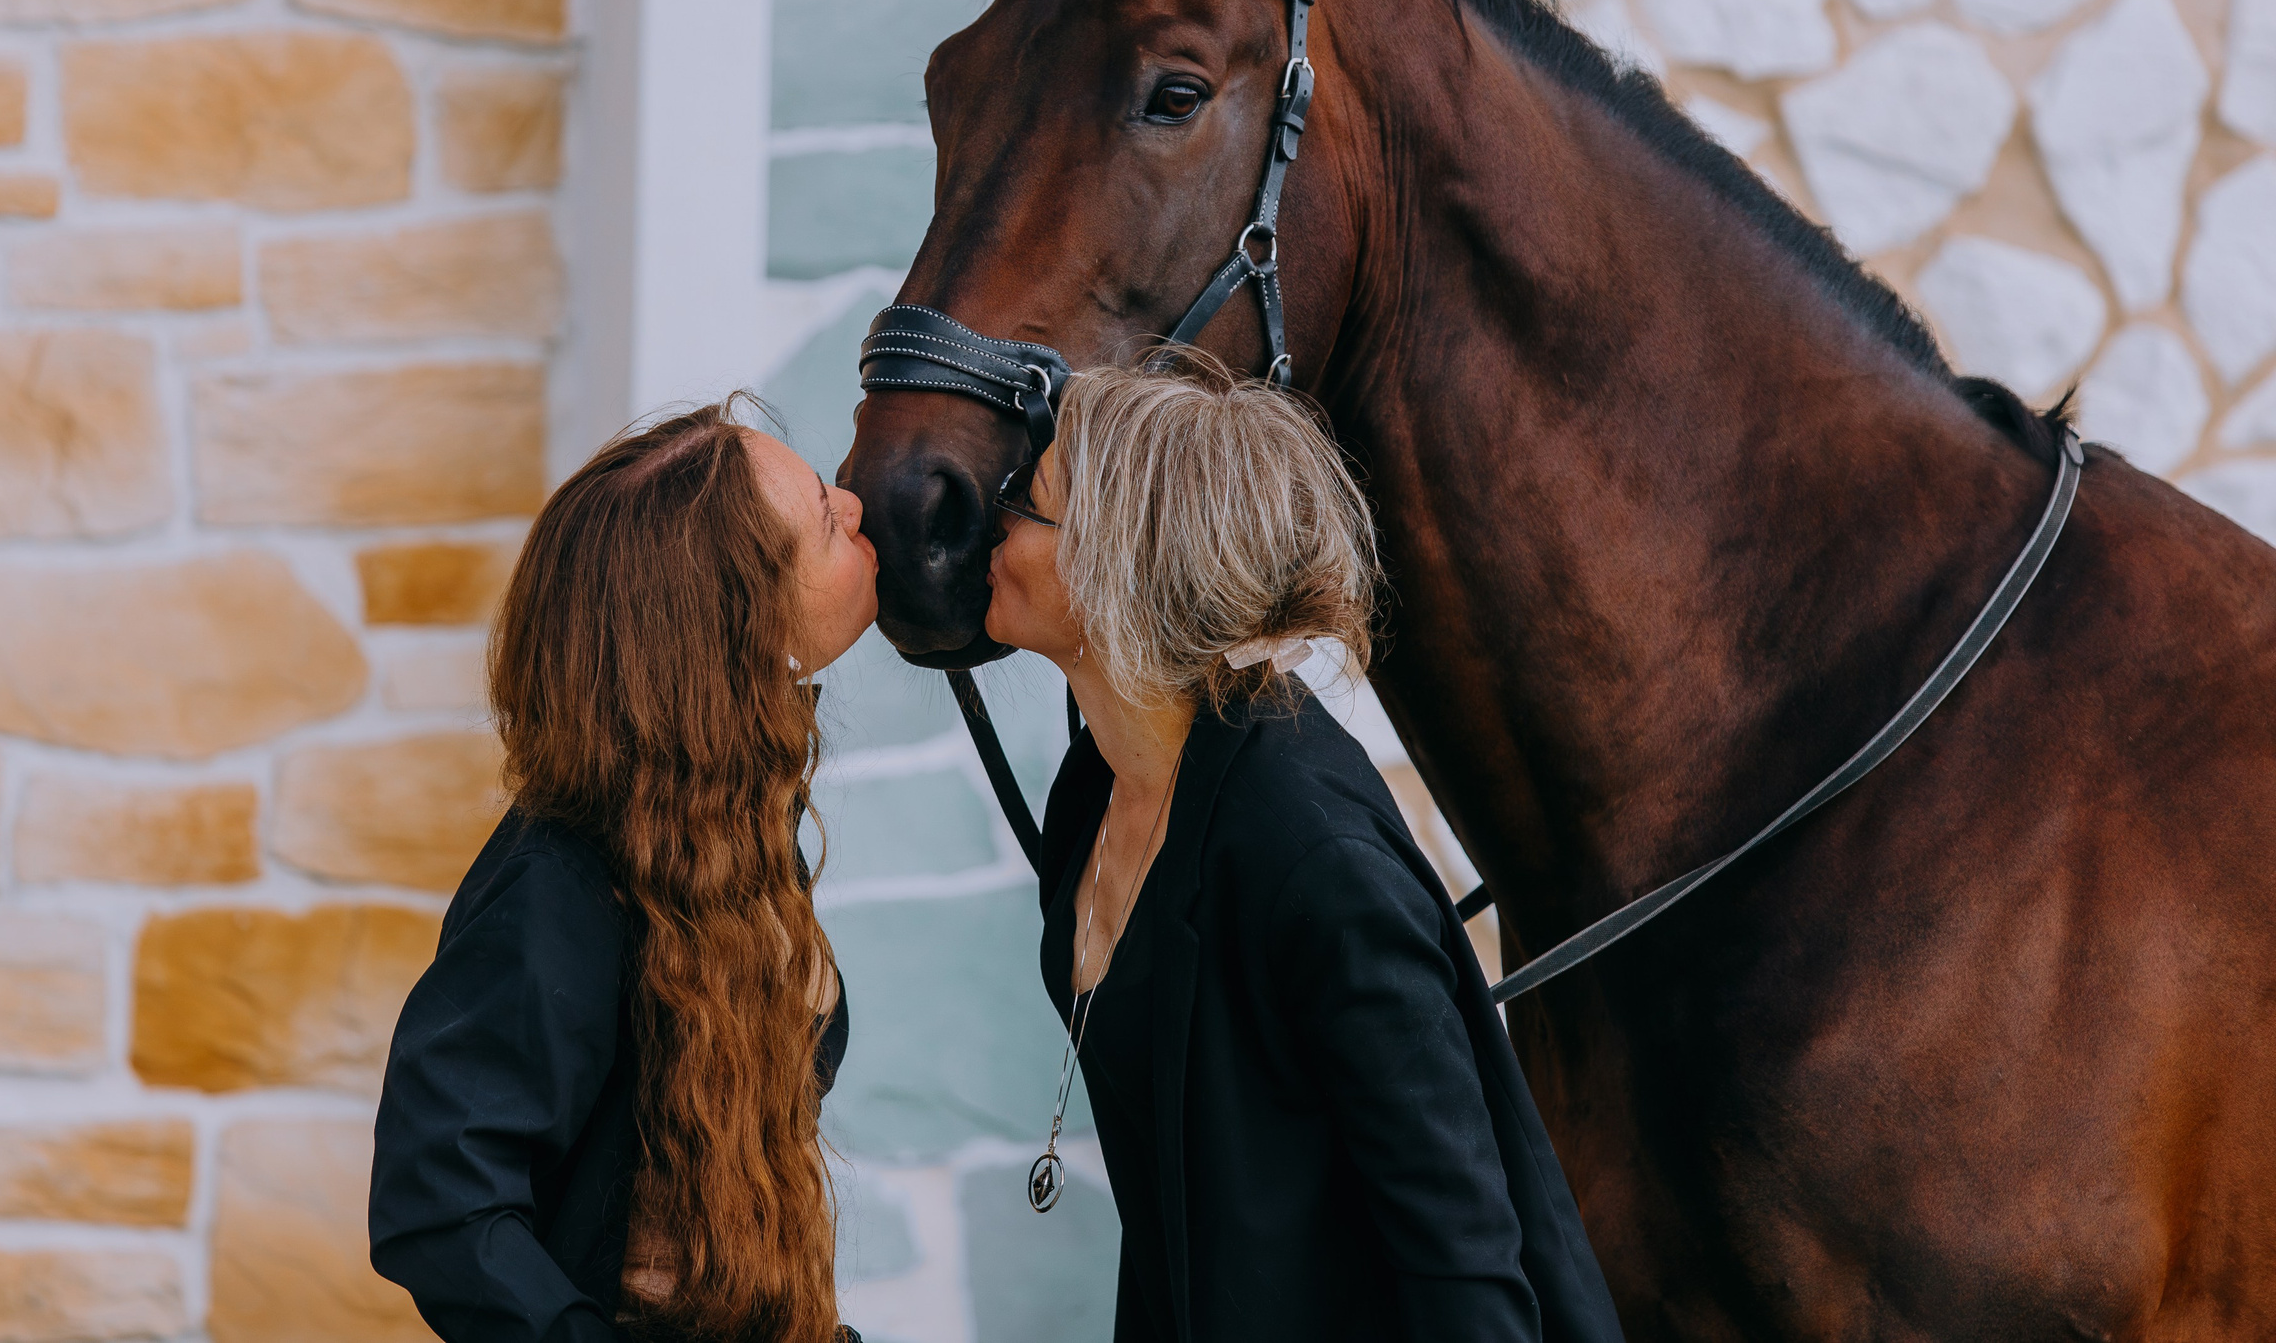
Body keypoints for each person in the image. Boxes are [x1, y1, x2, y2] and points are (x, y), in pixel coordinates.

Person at [983, 357, 1624, 1342]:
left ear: (1112, 562)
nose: (995, 519)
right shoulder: (1094, 794)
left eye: (1025, 502)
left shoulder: (1316, 866)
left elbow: (1466, 1271)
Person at [371, 401, 876, 1343]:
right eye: (821, 514)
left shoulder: (722, 832)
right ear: (741, 632)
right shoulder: (559, 886)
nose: (853, 504)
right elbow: (439, 1195)